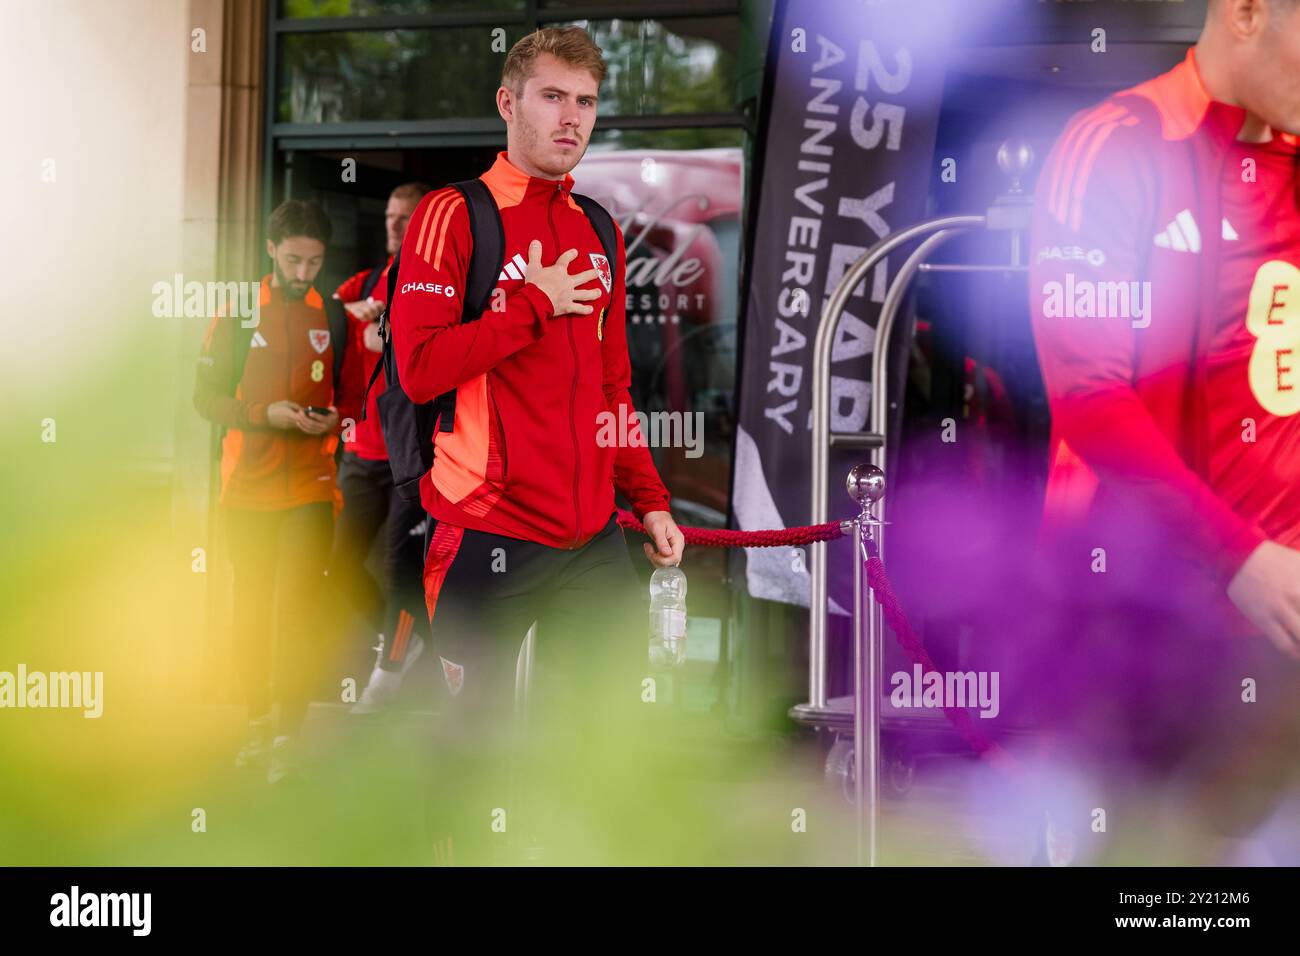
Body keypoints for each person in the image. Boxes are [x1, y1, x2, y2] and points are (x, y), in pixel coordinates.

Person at [387, 26, 685, 864]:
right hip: (486, 529)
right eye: (553, 97)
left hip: (592, 534)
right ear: (508, 102)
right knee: (466, 751)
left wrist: (651, 500)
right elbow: (417, 368)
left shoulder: (599, 226)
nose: (572, 118)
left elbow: (613, 389)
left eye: (586, 101)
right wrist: (529, 307)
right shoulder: (454, 215)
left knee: (609, 731)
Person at [1028, 0, 1300, 862]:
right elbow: (1088, 393)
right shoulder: (1116, 144)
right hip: (1141, 622)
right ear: (1249, 13)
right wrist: (1241, 557)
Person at [194, 200, 358, 784]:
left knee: (297, 609)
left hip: (313, 487)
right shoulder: (239, 311)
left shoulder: (334, 315)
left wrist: (333, 419)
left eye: (314, 261)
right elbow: (204, 400)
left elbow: (355, 399)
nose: (304, 272)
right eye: (293, 260)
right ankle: (256, 725)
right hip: (246, 489)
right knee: (252, 609)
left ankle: (288, 732)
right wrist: (268, 414)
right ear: (271, 250)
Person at [329, 182, 433, 713]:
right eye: (391, 216)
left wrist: (381, 323)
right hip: (361, 448)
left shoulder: (435, 275)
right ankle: (399, 637)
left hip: (412, 456)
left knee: (402, 568)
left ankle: (386, 676)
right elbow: (326, 310)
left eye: (406, 216)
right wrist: (361, 312)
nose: (394, 225)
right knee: (338, 565)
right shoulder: (370, 278)